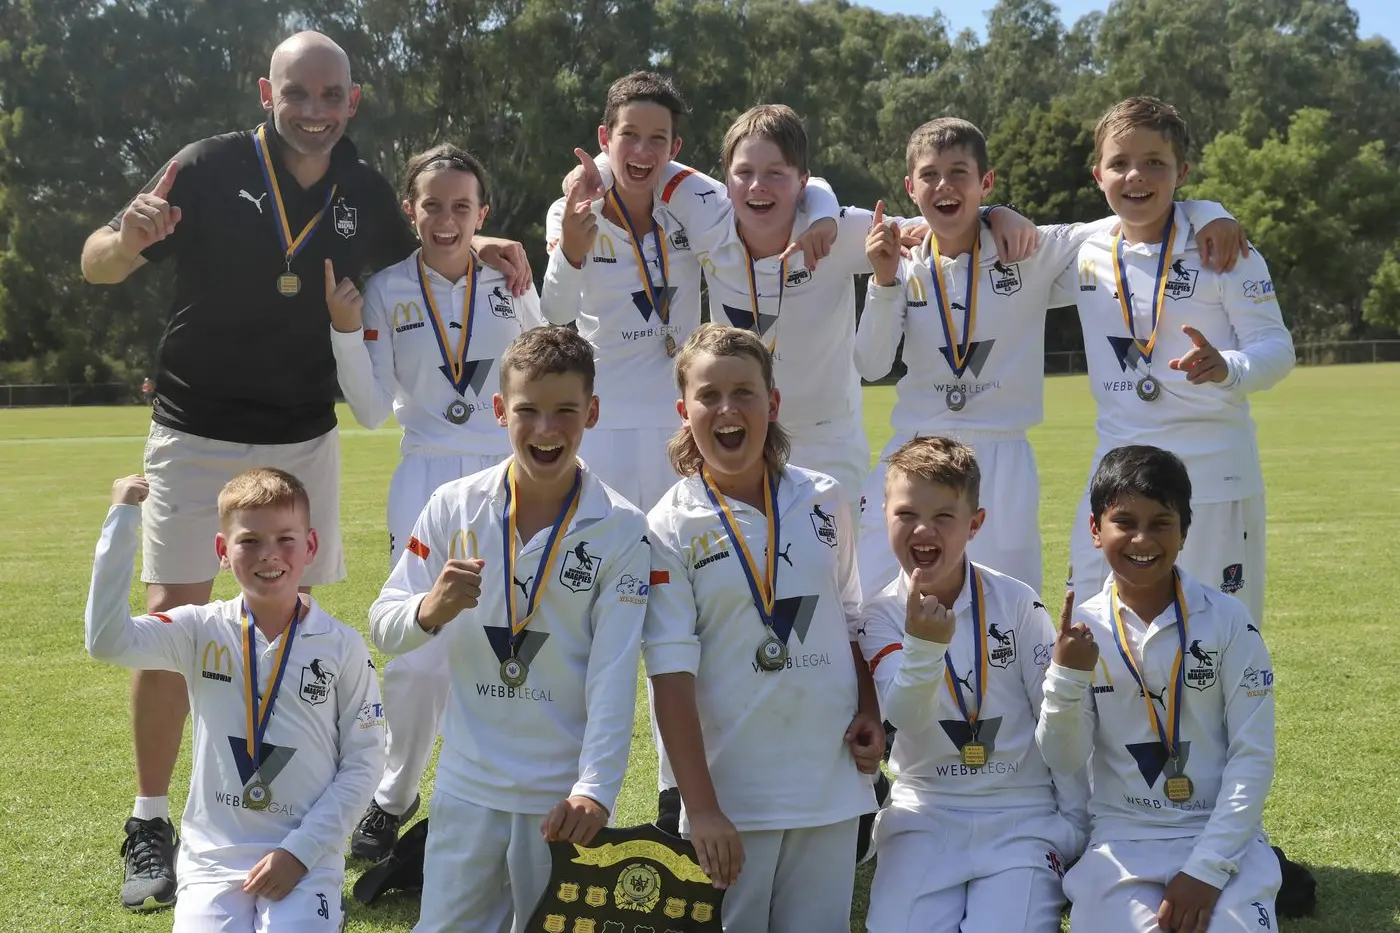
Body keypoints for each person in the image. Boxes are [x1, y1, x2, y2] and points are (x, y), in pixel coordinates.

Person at [77, 31, 530, 909]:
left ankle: (301, 810)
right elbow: (97, 263)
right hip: (194, 425)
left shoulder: (365, 191)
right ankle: (149, 820)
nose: (316, 112)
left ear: (352, 101)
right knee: (172, 616)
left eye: (332, 96)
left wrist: (494, 240)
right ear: (266, 92)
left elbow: (438, 239)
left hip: (300, 434)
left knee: (301, 631)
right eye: (299, 94)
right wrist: (125, 240)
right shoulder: (204, 166)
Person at [856, 117, 1246, 599]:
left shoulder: (1028, 248)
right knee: (878, 601)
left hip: (1000, 457)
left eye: (960, 172)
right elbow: (870, 366)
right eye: (930, 174)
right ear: (910, 187)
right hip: (914, 451)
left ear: (986, 182)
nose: (944, 186)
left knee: (1008, 609)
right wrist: (884, 282)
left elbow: (1134, 211)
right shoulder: (901, 254)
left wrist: (1211, 212)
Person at [368, 325, 651, 932]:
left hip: (561, 797)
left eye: (565, 412)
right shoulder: (453, 505)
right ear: (500, 411)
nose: (546, 430)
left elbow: (614, 671)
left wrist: (596, 789)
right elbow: (383, 627)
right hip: (468, 785)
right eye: (528, 411)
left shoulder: (622, 528)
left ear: (592, 412)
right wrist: (430, 610)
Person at [329, 144, 545, 859]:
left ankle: (508, 791)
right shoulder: (388, 290)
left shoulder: (508, 278)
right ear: (409, 211)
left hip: (508, 476)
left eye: (462, 207)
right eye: (433, 205)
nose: (447, 219)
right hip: (423, 478)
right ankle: (393, 796)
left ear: (482, 214)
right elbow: (367, 410)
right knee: (418, 656)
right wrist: (342, 330)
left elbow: (544, 367)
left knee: (508, 641)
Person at [643, 323, 885, 932]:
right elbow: (669, 676)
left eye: (744, 392)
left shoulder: (825, 497)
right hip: (734, 797)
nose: (728, 409)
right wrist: (700, 808)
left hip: (827, 783)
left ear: (772, 404)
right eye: (709, 395)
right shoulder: (668, 527)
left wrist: (870, 710)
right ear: (684, 411)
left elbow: (851, 619)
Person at [85, 468, 385, 931]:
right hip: (213, 858)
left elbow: (364, 761)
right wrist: (122, 519)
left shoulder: (342, 646)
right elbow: (106, 641)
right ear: (223, 552)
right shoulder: (197, 628)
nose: (269, 555)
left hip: (305, 854)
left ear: (310, 547)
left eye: (286, 539)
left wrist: (300, 853)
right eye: (249, 541)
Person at [543, 74, 840, 513]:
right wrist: (571, 250)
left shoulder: (691, 203)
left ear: (674, 148)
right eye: (629, 136)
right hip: (605, 424)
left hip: (681, 424)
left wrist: (826, 217)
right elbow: (556, 310)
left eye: (657, 139)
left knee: (675, 563)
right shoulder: (571, 211)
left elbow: (804, 185)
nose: (643, 151)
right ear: (605, 138)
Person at [1057, 97, 1293, 626]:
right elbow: (992, 239)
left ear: (1181, 172)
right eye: (1120, 163)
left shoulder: (1225, 250)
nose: (1136, 175)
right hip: (1116, 481)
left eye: (1154, 162)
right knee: (1095, 633)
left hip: (1213, 481)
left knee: (1216, 638)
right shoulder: (1083, 249)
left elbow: (1277, 349)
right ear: (1098, 175)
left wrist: (1227, 365)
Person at [1036, 445, 1279, 933]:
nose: (1141, 538)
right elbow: (1063, 759)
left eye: (1161, 522)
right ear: (1094, 529)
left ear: (1185, 531)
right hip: (1122, 837)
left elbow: (1253, 756)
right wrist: (1065, 676)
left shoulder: (1228, 621)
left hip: (1218, 833)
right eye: (1124, 521)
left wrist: (1208, 869)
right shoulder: (1080, 632)